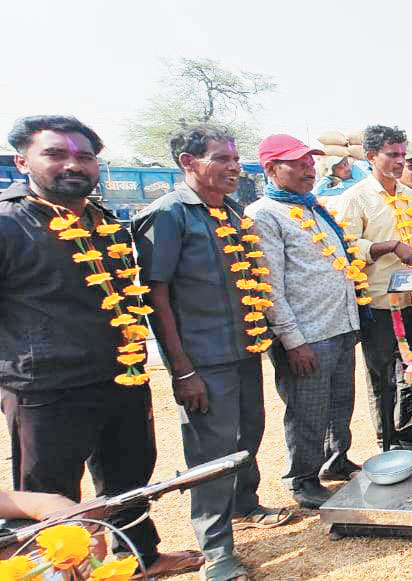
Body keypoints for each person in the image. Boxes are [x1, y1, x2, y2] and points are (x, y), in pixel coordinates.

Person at [0, 115, 204, 579]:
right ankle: (65, 574)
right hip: (46, 391)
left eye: (85, 156)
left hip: (121, 377)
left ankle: (139, 559)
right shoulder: (8, 224)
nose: (73, 163)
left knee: (130, 479)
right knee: (51, 494)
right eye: (55, 153)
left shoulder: (104, 220)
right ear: (22, 161)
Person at [134, 125, 295, 581]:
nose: (233, 167)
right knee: (211, 453)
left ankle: (246, 504)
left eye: (235, 158)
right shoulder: (168, 215)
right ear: (188, 162)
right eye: (221, 159)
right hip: (202, 360)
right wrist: (182, 371)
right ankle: (218, 551)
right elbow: (156, 296)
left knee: (249, 433)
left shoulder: (232, 211)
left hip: (244, 351)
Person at [246, 134, 364, 511]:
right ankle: (304, 478)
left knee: (340, 402)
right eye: (297, 163)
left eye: (310, 162)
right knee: (307, 409)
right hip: (307, 336)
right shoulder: (264, 214)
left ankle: (335, 460)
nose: (308, 168)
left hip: (340, 326)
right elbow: (270, 287)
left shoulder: (313, 207)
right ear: (270, 168)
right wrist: (293, 341)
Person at [328, 125, 412, 449]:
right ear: (370, 157)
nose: (399, 161)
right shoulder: (354, 198)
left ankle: (410, 429)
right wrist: (390, 246)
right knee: (382, 374)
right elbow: (348, 246)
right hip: (379, 303)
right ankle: (387, 438)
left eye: (402, 155)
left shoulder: (411, 197)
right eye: (392, 155)